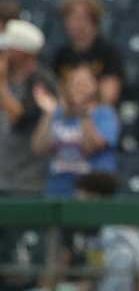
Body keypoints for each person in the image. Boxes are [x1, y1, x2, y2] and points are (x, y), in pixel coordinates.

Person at [31, 64, 120, 198]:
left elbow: (92, 146)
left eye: (84, 82)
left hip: (90, 192)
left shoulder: (105, 114)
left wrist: (84, 114)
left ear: (95, 86)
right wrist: (49, 114)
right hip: (57, 189)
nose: (79, 87)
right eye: (74, 82)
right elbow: (38, 148)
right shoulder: (57, 113)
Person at [0, 19, 54, 195]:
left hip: (25, 182)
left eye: (8, 49)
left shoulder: (40, 82)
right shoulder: (7, 77)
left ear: (21, 52)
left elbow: (20, 119)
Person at [53, 0, 125, 107]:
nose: (74, 24)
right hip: (68, 114)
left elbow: (110, 95)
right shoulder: (62, 54)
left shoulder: (108, 52)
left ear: (94, 21)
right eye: (70, 19)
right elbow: (56, 92)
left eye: (80, 18)